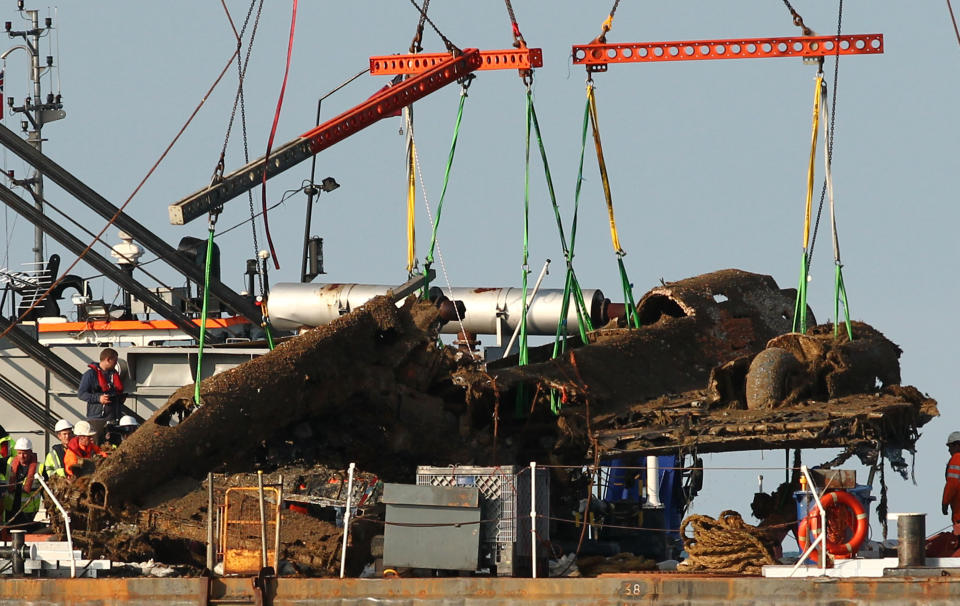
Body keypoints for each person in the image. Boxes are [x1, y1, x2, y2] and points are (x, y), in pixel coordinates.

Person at [78, 347, 126, 443]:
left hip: (113, 419)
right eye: (115, 361)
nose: (116, 364)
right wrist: (98, 398)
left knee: (114, 447)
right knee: (97, 447)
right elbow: (81, 394)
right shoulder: (90, 375)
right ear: (108, 360)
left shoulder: (113, 375)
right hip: (97, 419)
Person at [4, 438, 41, 526]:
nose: (22, 456)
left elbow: (45, 490)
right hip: (11, 508)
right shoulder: (8, 463)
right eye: (19, 453)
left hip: (28, 510)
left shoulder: (39, 467)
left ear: (30, 452)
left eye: (24, 453)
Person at [943, 431, 960, 530]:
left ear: (957, 445)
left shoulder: (957, 459)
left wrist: (945, 502)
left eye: (950, 447)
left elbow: (952, 484)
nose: (949, 450)